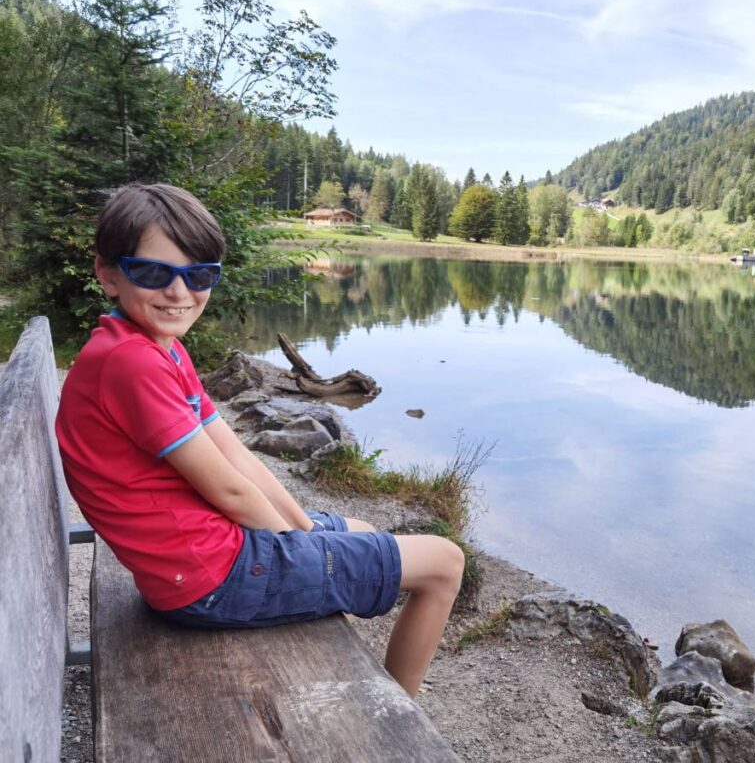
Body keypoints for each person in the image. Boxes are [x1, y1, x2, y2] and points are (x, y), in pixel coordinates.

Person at [55, 183, 463, 697]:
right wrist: (296, 544)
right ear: (107, 273)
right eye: (154, 272)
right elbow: (228, 491)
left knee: (357, 528)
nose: (179, 293)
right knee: (445, 563)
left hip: (195, 566)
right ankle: (404, 711)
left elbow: (236, 455)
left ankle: (387, 676)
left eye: (198, 275)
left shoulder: (157, 347)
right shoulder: (132, 363)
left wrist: (304, 528)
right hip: (209, 582)